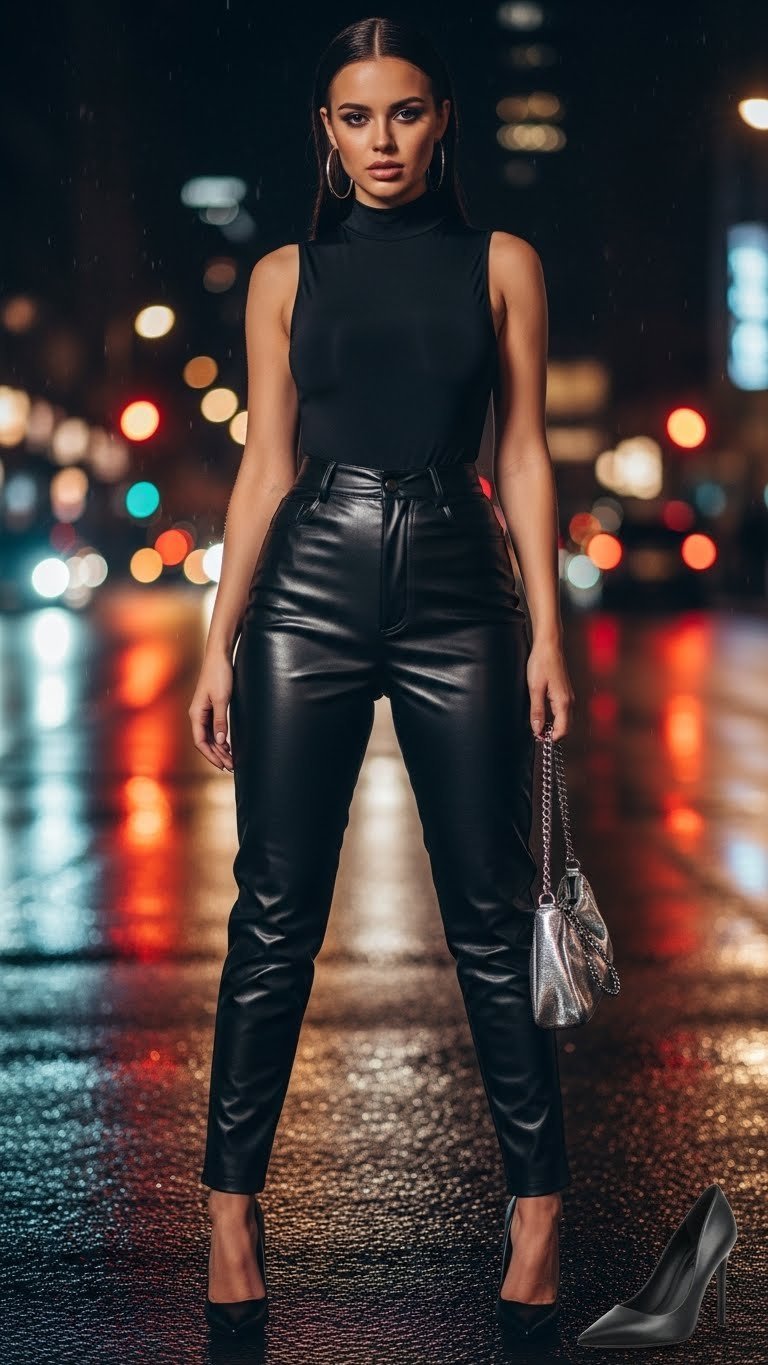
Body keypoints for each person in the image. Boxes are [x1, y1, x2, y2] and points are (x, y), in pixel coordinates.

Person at [189, 15, 575, 1336]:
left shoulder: (502, 263)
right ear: (327, 131)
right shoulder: (284, 275)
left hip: (466, 584)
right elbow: (262, 467)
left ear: (443, 119)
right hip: (309, 580)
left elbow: (523, 452)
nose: (382, 141)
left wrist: (549, 630)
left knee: (487, 912)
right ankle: (232, 1207)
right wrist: (217, 633)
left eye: (404, 113)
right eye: (357, 118)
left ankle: (539, 1211)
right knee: (277, 911)